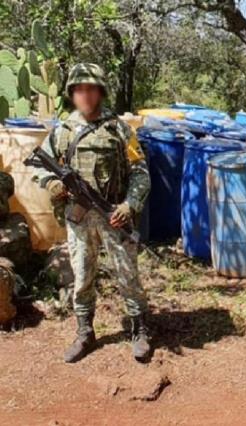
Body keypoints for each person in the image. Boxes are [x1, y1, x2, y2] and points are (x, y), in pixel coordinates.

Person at [33, 63, 152, 362]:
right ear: (72, 93)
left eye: (91, 89)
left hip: (114, 215)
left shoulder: (120, 129)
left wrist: (129, 205)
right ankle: (85, 333)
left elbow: (140, 172)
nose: (85, 95)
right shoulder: (62, 131)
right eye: (79, 89)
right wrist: (53, 184)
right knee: (83, 275)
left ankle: (139, 330)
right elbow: (39, 166)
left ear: (100, 91)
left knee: (128, 275)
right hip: (79, 217)